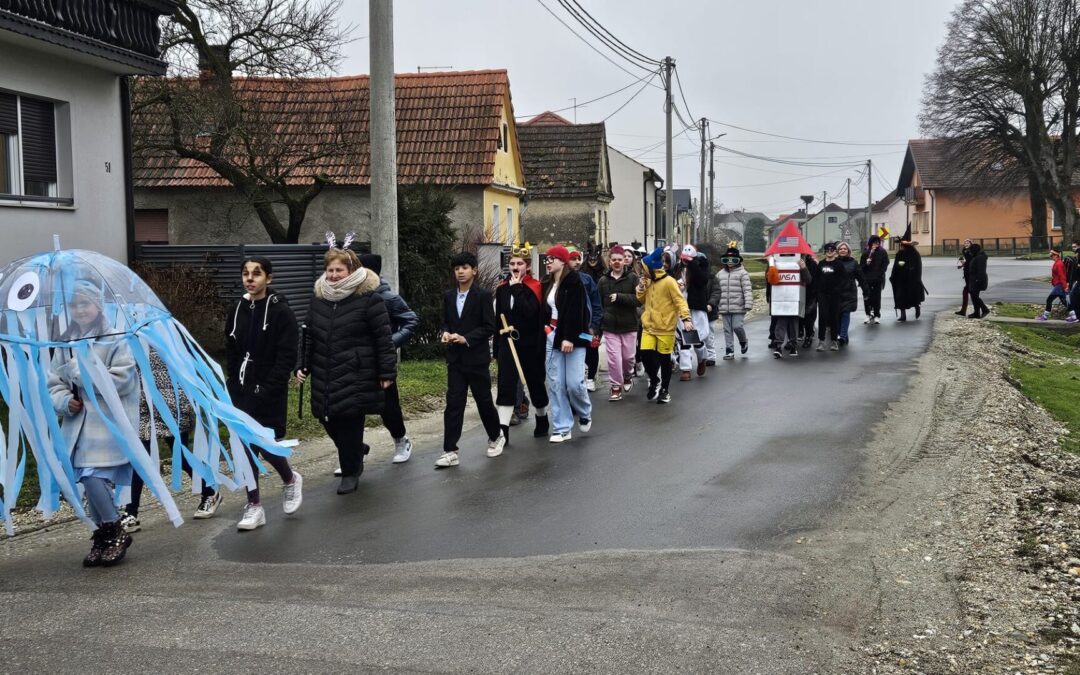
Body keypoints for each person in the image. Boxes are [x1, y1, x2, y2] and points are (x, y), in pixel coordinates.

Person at [48, 280, 137, 567]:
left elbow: (123, 381)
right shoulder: (64, 343)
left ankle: (114, 529)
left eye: (85, 303)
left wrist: (80, 370)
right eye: (73, 305)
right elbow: (53, 383)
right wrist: (64, 401)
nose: (79, 310)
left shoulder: (116, 339)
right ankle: (103, 536)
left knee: (92, 476)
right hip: (77, 426)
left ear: (98, 305)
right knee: (87, 480)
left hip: (107, 426)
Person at [297, 244, 397, 491]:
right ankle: (355, 450)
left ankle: (351, 472)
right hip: (325, 369)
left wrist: (386, 372)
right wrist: (302, 364)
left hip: (357, 371)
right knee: (325, 416)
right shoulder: (319, 298)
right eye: (329, 270)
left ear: (351, 271)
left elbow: (383, 338)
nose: (332, 275)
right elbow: (307, 335)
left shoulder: (368, 299)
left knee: (350, 420)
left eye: (338, 270)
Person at [225, 256, 303, 530]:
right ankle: (254, 505)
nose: (250, 278)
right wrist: (232, 381)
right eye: (246, 273)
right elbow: (232, 349)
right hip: (242, 388)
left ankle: (290, 479)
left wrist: (268, 385)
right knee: (245, 445)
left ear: (268, 278)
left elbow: (287, 353)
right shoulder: (238, 308)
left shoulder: (280, 310)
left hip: (269, 386)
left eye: (256, 273)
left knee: (264, 443)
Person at [434, 251, 503, 466]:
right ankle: (450, 450)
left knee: (483, 401)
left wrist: (466, 338)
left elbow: (489, 327)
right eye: (457, 269)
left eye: (464, 268)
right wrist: (445, 333)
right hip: (455, 360)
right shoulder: (449, 296)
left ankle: (496, 436)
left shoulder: (482, 295)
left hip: (476, 358)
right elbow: (446, 322)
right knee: (454, 403)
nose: (460, 272)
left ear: (474, 270)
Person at [122, 350, 201, 533]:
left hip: (171, 407)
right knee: (140, 460)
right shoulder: (126, 338)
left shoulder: (163, 333)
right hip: (143, 408)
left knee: (180, 456)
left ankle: (209, 493)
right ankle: (131, 512)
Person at [354, 253, 419, 464]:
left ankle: (401, 440)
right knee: (351, 409)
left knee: (388, 406)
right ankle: (352, 452)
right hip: (354, 363)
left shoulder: (388, 297)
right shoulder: (349, 297)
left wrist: (390, 342)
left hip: (381, 362)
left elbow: (411, 321)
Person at [494, 245, 550, 441]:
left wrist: (517, 288)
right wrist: (496, 349)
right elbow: (498, 319)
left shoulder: (534, 287)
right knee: (506, 384)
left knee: (535, 382)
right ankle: (503, 430)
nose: (515, 267)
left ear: (527, 266)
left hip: (531, 344)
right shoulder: (502, 288)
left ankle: (542, 417)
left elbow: (530, 312)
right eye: (512, 263)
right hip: (507, 343)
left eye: (520, 263)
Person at [542, 245, 593, 442]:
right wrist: (547, 329)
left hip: (572, 338)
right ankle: (562, 426)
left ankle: (584, 411)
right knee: (556, 384)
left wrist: (569, 337)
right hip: (551, 336)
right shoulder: (546, 282)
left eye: (551, 259)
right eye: (546, 259)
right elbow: (543, 311)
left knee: (573, 384)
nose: (547, 262)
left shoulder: (574, 282)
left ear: (562, 261)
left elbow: (576, 311)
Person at [636, 247, 693, 403]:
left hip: (665, 328)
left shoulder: (669, 282)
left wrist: (686, 319)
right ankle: (655, 380)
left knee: (664, 360)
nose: (642, 271)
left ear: (651, 268)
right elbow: (640, 299)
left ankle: (664, 390)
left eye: (644, 268)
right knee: (645, 355)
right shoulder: (647, 280)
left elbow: (680, 301)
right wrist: (641, 287)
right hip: (648, 326)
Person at [598, 244, 640, 401]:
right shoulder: (603, 280)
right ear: (609, 262)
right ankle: (615, 386)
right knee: (614, 359)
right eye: (613, 260)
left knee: (628, 358)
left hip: (629, 324)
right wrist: (598, 325)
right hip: (610, 326)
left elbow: (639, 300)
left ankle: (628, 375)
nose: (616, 262)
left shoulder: (633, 278)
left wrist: (620, 297)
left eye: (620, 260)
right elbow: (598, 304)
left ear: (625, 262)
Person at [569, 248, 603, 392]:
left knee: (591, 349)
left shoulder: (587, 279)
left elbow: (596, 304)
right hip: (569, 328)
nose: (577, 262)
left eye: (578, 259)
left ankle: (590, 378)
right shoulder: (559, 280)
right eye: (573, 259)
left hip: (586, 326)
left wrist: (594, 326)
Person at [679, 245, 712, 380]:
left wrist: (692, 264)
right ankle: (685, 369)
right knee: (684, 337)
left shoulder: (700, 268)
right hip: (681, 307)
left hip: (696, 307)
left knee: (697, 337)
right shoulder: (677, 269)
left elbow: (702, 281)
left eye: (688, 259)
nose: (685, 261)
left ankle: (702, 358)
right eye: (684, 259)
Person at [714, 245, 753, 360]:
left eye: (733, 260)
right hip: (724, 306)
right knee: (727, 329)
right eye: (727, 260)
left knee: (737, 326)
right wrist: (715, 303)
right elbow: (716, 290)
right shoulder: (720, 274)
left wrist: (748, 303)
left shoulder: (743, 273)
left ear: (738, 260)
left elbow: (747, 289)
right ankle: (729, 350)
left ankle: (743, 341)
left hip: (739, 306)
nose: (730, 263)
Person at [813, 242, 847, 351]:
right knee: (823, 316)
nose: (829, 252)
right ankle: (821, 341)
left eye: (832, 250)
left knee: (834, 316)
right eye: (827, 250)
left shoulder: (839, 264)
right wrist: (818, 291)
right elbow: (816, 278)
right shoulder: (821, 264)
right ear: (825, 251)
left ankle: (834, 341)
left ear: (835, 251)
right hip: (823, 294)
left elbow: (844, 279)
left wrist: (838, 289)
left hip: (835, 295)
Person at [889, 224, 925, 321]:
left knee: (912, 296)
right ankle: (903, 315)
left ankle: (917, 307)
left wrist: (915, 275)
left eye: (904, 245)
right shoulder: (899, 253)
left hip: (911, 279)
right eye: (902, 245)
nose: (902, 247)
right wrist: (893, 276)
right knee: (900, 296)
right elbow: (895, 266)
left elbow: (918, 267)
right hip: (901, 279)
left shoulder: (915, 254)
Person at [834, 242, 864, 345]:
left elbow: (861, 277)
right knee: (837, 315)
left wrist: (866, 290)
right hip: (836, 293)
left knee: (846, 313)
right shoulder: (833, 262)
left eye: (845, 249)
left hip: (849, 292)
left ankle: (842, 336)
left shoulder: (853, 263)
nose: (843, 250)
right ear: (837, 251)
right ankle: (842, 335)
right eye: (841, 249)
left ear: (848, 251)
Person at [859, 235, 889, 325]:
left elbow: (885, 264)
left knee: (877, 298)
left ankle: (877, 315)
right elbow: (861, 267)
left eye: (877, 242)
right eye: (874, 242)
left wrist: (879, 274)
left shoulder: (882, 252)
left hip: (877, 279)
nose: (876, 244)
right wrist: (866, 264)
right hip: (867, 279)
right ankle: (868, 314)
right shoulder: (866, 253)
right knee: (867, 297)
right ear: (870, 243)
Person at [1037, 248, 1068, 320]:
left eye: (1052, 255)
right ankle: (1075, 315)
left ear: (1056, 255)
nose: (1051, 257)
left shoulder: (1059, 264)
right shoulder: (1057, 263)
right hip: (1059, 285)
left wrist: (1065, 286)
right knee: (1064, 302)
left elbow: (1062, 276)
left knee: (1049, 300)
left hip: (1059, 286)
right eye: (1050, 255)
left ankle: (1045, 316)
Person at [799, 253, 820, 349]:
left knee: (808, 317)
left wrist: (803, 268)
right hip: (797, 293)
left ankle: (808, 336)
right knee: (798, 317)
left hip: (809, 293)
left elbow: (811, 280)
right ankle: (798, 334)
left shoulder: (812, 263)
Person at [966, 243, 989, 319]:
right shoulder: (977, 256)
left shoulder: (980, 258)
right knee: (974, 296)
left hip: (978, 280)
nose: (970, 252)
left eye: (971, 251)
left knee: (975, 296)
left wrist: (978, 280)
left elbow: (981, 270)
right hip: (974, 279)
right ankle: (976, 313)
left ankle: (985, 309)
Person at [954, 239, 974, 316]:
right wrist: (962, 264)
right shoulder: (965, 251)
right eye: (965, 242)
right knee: (967, 291)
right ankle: (963, 310)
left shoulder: (970, 252)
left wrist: (962, 264)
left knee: (970, 292)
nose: (966, 243)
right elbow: (967, 262)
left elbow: (969, 262)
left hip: (970, 274)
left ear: (971, 243)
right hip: (967, 273)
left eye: (968, 242)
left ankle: (965, 310)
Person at [1066, 240, 1080, 323]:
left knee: (1074, 299)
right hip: (1077, 282)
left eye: (1075, 247)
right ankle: (1075, 316)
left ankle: (1077, 317)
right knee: (1072, 298)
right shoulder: (1076, 261)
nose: (1076, 254)